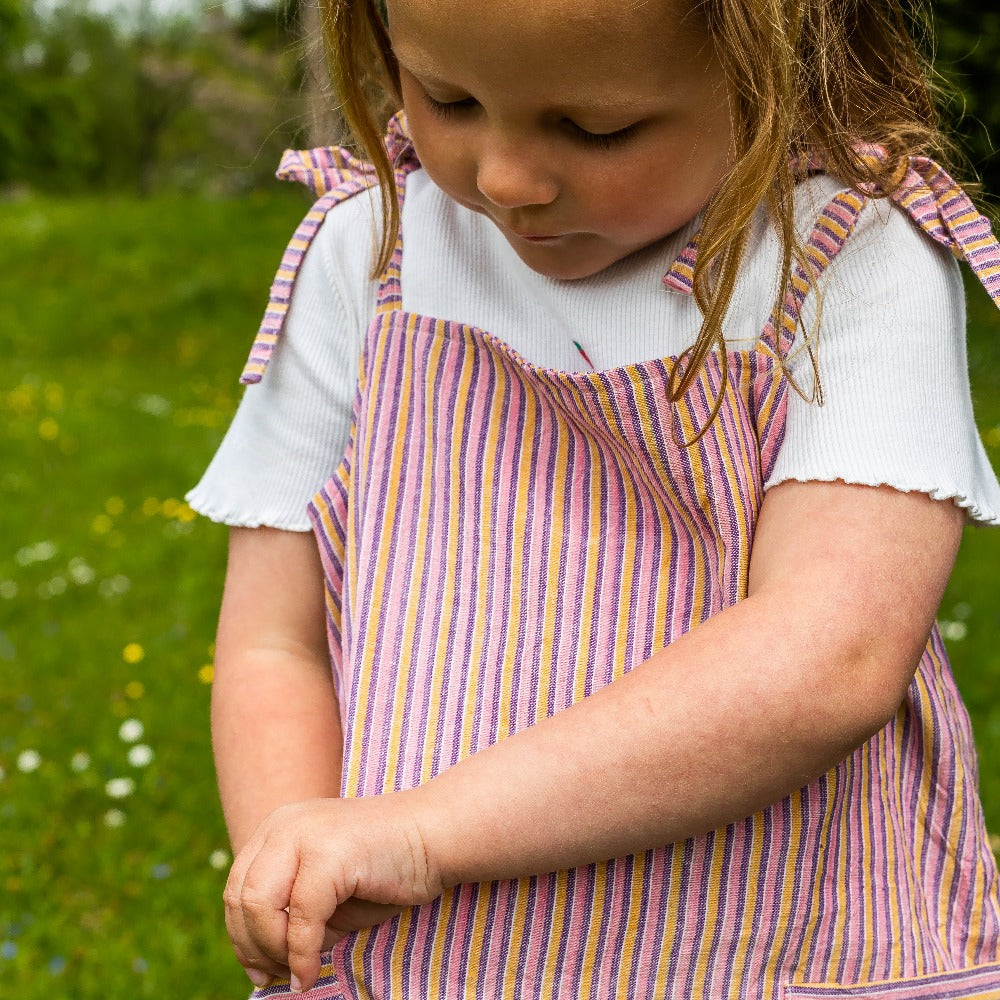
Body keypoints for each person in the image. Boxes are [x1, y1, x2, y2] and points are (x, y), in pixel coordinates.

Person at [187, 0, 1000, 995]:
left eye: (595, 128)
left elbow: (832, 653)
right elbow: (278, 636)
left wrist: (422, 831)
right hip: (422, 961)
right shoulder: (367, 254)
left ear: (777, 64)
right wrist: (301, 876)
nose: (504, 177)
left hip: (763, 948)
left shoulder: (846, 253)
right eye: (448, 99)